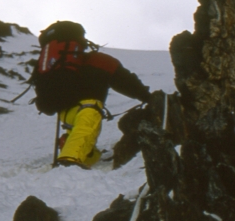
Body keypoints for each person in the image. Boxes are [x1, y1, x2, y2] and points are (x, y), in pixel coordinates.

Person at [32, 21, 152, 168]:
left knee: (87, 146)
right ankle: (69, 161)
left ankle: (73, 146)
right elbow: (126, 82)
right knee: (87, 123)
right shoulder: (99, 60)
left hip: (63, 111)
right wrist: (147, 97)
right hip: (87, 109)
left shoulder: (53, 64)